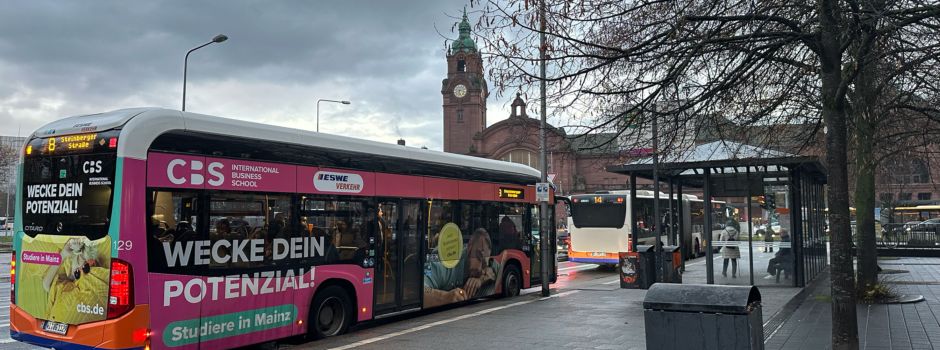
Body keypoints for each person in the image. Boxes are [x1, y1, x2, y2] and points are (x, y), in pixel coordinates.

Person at [423, 228, 500, 308]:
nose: (480, 269)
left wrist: (482, 279)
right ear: (469, 249)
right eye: (478, 257)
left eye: (484, 265)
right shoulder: (444, 263)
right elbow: (420, 291)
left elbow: (499, 269)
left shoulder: (489, 264)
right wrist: (445, 297)